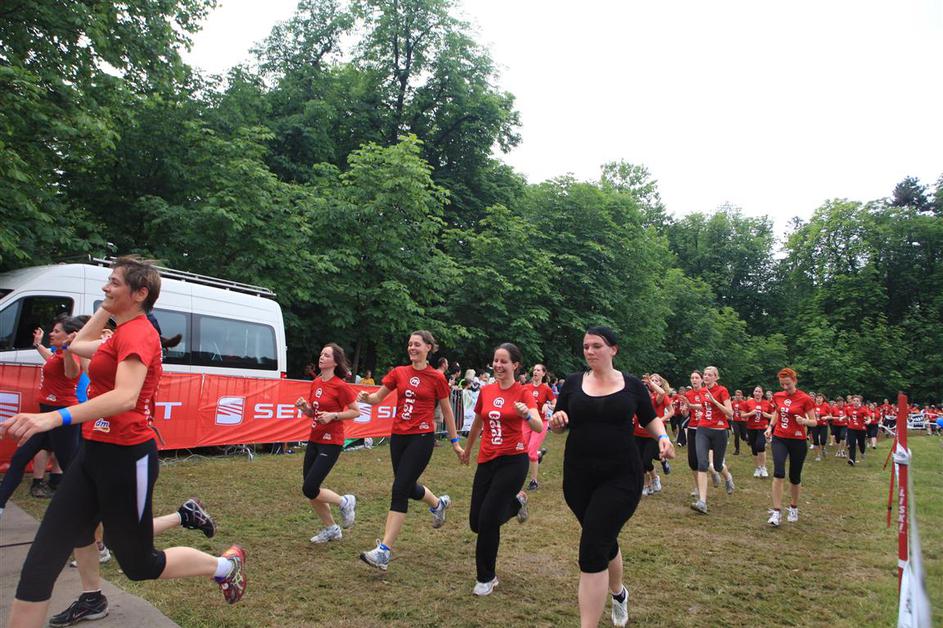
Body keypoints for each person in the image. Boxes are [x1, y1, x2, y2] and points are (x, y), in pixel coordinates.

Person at [1, 257, 248, 628]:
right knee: (41, 562)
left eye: (114, 283)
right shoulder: (118, 332)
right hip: (92, 454)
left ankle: (226, 566)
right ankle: (91, 594)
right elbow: (76, 344)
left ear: (140, 293)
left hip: (127, 458)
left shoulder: (140, 334)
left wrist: (54, 417)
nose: (105, 287)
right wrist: (106, 307)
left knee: (138, 564)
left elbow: (125, 397)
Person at [549, 326, 674, 628]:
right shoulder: (573, 383)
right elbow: (558, 420)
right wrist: (556, 422)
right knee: (602, 538)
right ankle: (619, 594)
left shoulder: (631, 385)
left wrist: (663, 438)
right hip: (578, 477)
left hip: (620, 476)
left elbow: (650, 418)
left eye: (596, 346)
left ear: (613, 349)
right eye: (586, 347)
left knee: (592, 546)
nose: (589, 351)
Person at [357, 330, 464, 570]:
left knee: (399, 489)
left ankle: (384, 551)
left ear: (428, 348)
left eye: (417, 344)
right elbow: (377, 399)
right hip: (399, 437)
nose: (412, 348)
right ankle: (438, 504)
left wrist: (455, 441)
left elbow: (447, 411)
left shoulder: (436, 377)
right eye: (409, 344)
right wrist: (366, 397)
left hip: (422, 437)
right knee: (406, 485)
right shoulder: (399, 372)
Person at [460, 343, 541, 595]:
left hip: (512, 461)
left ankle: (486, 577)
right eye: (495, 360)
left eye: (504, 361)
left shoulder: (523, 392)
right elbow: (477, 422)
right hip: (487, 460)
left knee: (488, 520)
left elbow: (538, 426)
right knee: (476, 522)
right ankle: (516, 504)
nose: (498, 365)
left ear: (515, 365)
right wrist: (468, 449)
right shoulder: (486, 390)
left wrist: (527, 414)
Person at [0, 316, 85, 518]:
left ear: (68, 335)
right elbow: (51, 360)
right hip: (45, 419)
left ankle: (86, 511)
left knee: (69, 469)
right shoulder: (57, 353)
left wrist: (68, 349)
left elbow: (72, 373)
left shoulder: (70, 355)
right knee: (19, 459)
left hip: (61, 420)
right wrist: (38, 346)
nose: (52, 334)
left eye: (56, 331)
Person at [293, 343, 360, 543]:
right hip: (315, 439)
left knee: (310, 488)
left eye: (326, 355)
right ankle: (332, 528)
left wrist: (334, 416)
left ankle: (345, 501)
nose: (321, 357)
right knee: (311, 490)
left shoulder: (341, 385)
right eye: (321, 353)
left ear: (335, 361)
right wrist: (305, 408)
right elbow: (313, 414)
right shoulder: (316, 383)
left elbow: (356, 411)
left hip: (332, 442)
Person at [765, 368, 817, 527]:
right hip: (780, 438)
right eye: (782, 384)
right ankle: (776, 511)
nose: (785, 387)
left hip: (798, 440)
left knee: (794, 477)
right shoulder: (777, 396)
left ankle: (793, 507)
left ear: (795, 381)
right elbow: (776, 412)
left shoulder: (805, 398)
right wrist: (770, 427)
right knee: (779, 472)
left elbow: (814, 421)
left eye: (787, 384)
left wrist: (804, 421)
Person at [690, 366, 735, 514]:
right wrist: (691, 406)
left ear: (716, 377)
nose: (706, 377)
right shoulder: (702, 391)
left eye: (710, 375)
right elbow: (704, 407)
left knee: (717, 465)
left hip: (720, 431)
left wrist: (715, 401)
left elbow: (730, 413)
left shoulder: (722, 391)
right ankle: (702, 502)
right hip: (702, 429)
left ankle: (728, 478)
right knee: (702, 463)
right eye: (705, 374)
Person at [522, 363, 556, 491]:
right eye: (534, 370)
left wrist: (549, 405)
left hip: (540, 423)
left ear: (543, 373)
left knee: (530, 451)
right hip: (526, 422)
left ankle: (533, 481)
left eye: (538, 370)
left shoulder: (546, 389)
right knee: (523, 450)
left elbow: (555, 403)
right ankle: (539, 454)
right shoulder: (526, 387)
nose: (535, 372)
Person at [637, 374, 672, 495]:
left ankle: (656, 477)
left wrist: (661, 420)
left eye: (656, 381)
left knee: (647, 460)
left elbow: (663, 395)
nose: (653, 382)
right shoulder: (639, 398)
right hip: (637, 434)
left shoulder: (656, 398)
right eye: (651, 380)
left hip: (652, 434)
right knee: (640, 463)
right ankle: (647, 485)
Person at [681, 373, 705, 498]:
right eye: (692, 378)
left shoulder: (706, 392)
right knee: (692, 461)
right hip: (692, 428)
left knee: (705, 461)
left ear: (701, 379)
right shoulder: (688, 395)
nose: (694, 380)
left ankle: (723, 474)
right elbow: (686, 414)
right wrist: (684, 411)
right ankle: (698, 487)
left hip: (706, 429)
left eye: (696, 378)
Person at [741, 386, 773, 477]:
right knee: (754, 448)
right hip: (751, 428)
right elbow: (742, 415)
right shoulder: (748, 403)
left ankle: (763, 467)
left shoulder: (767, 403)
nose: (758, 393)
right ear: (753, 393)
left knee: (760, 445)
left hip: (763, 427)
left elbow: (774, 416)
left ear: (762, 393)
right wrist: (751, 413)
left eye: (759, 391)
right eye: (756, 391)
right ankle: (758, 468)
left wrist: (767, 415)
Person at [846, 396, 868, 466]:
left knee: (861, 443)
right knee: (852, 444)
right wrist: (841, 418)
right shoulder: (848, 409)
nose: (855, 402)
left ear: (860, 402)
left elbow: (868, 418)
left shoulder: (863, 410)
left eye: (857, 401)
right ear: (852, 402)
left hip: (861, 429)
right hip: (851, 428)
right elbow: (847, 416)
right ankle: (852, 459)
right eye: (854, 400)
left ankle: (862, 452)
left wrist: (868, 421)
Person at [812, 394, 832, 461]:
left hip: (823, 425)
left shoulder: (826, 405)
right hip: (815, 425)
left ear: (823, 399)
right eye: (818, 398)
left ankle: (823, 448)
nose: (819, 399)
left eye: (820, 398)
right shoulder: (812, 405)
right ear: (816, 399)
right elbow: (809, 413)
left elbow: (830, 416)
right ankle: (817, 455)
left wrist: (826, 417)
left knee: (823, 440)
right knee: (815, 440)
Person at [731, 389, 747, 455]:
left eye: (739, 395)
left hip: (743, 421)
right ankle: (737, 450)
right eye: (736, 395)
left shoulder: (744, 403)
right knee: (736, 435)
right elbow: (731, 410)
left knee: (743, 436)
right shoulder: (733, 403)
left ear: (741, 396)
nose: (737, 396)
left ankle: (749, 441)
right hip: (735, 421)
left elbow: (747, 411)